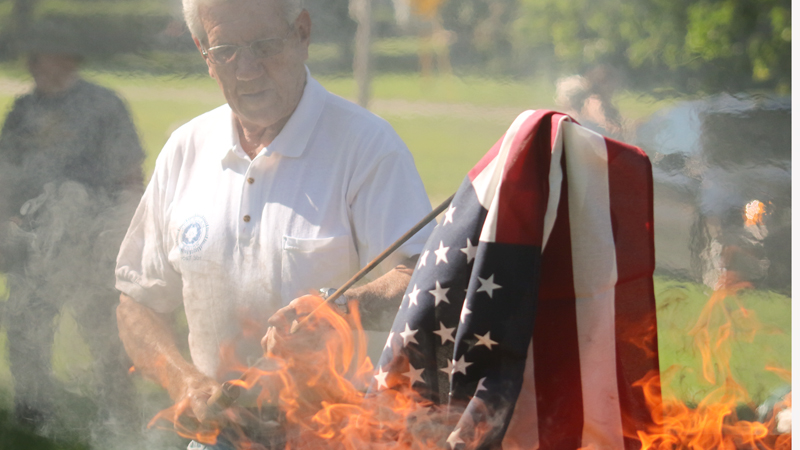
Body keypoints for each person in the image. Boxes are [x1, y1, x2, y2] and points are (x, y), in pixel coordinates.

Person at [114, 0, 433, 446]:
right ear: (203, 53)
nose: (246, 70)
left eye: (263, 45)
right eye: (225, 50)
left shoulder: (366, 146)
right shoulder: (186, 149)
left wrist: (340, 309)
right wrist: (185, 384)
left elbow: (425, 280)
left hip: (336, 433)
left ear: (302, 32)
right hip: (217, 438)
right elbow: (138, 302)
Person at [0, 21, 145, 443]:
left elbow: (129, 174)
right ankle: (31, 414)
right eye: (34, 57)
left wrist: (125, 233)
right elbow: (5, 175)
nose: (38, 65)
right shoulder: (22, 110)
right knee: (26, 331)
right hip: (32, 244)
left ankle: (121, 418)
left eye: (46, 55)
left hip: (91, 241)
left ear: (68, 59)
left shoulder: (104, 105)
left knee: (105, 338)